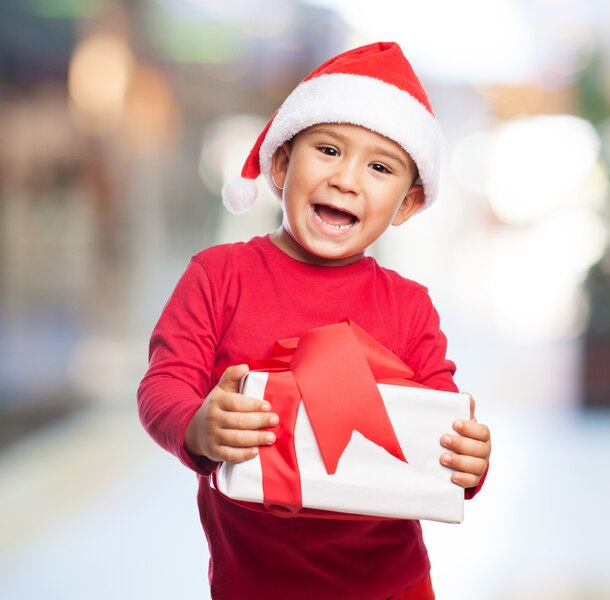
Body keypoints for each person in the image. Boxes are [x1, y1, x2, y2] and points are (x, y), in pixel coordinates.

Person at [138, 41, 491, 600]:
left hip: (392, 585)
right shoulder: (218, 275)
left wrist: (468, 461)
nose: (347, 179)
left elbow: (439, 424)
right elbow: (164, 383)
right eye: (327, 150)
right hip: (253, 583)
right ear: (281, 163)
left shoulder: (410, 305)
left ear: (406, 205)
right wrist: (196, 426)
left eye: (380, 167)